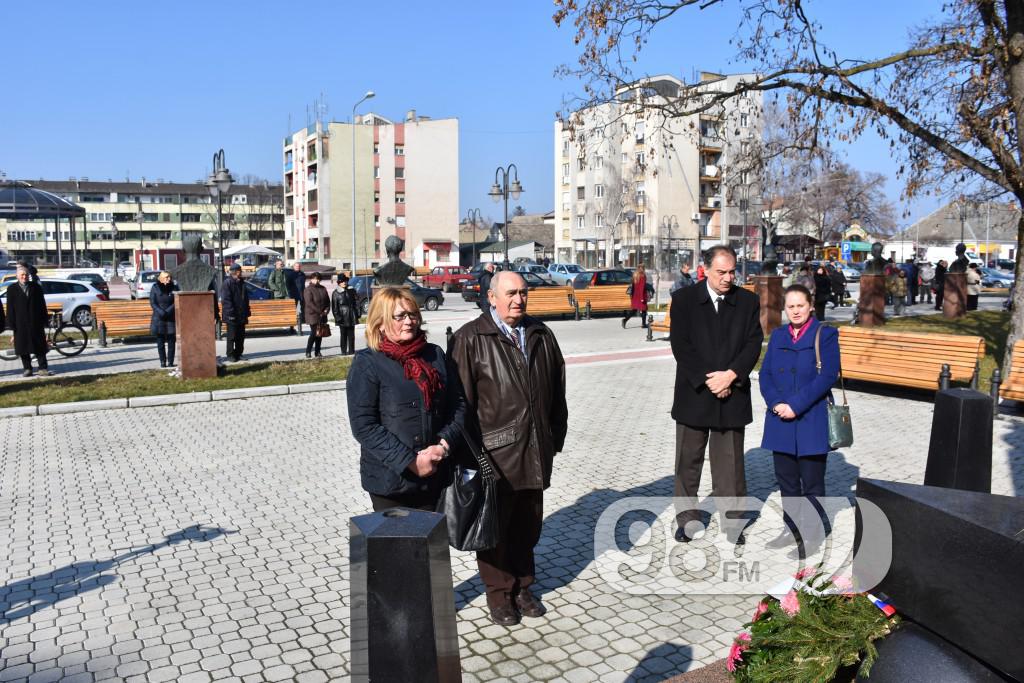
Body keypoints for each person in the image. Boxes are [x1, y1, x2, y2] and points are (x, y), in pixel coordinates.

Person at [448, 271, 568, 626]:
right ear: (492, 297)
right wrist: (471, 457)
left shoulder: (541, 334)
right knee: (495, 529)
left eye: (523, 293)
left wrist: (554, 437)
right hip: (495, 457)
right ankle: (499, 594)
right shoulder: (471, 338)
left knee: (528, 526)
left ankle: (523, 586)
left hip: (535, 449)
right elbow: (461, 406)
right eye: (511, 293)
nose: (519, 299)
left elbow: (557, 391)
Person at [670, 245, 764, 545]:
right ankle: (687, 520)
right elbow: (681, 345)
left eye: (732, 271)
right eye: (721, 272)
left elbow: (753, 343)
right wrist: (707, 380)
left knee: (731, 465)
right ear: (705, 270)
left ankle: (733, 522)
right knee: (688, 462)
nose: (727, 278)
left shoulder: (747, 300)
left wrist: (731, 375)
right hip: (695, 392)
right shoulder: (684, 300)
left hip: (732, 393)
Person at [346, 288, 466, 513]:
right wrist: (410, 462)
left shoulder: (434, 354)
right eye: (399, 316)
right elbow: (364, 425)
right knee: (398, 547)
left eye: (413, 314)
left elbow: (457, 405)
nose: (409, 321)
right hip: (391, 482)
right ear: (380, 322)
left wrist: (442, 446)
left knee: (433, 547)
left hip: (436, 475)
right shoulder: (368, 362)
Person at [759, 284, 840, 558]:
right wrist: (776, 403)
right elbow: (766, 374)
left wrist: (795, 405)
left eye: (800, 306)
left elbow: (827, 377)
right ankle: (790, 529)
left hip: (810, 419)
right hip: (780, 419)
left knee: (812, 483)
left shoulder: (825, 334)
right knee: (787, 482)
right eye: (790, 306)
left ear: (810, 306)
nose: (795, 311)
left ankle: (813, 535)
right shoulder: (778, 334)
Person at [6, 265, 50, 377]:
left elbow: (42, 305)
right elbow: (10, 308)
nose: (24, 277)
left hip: (36, 321)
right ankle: (27, 369)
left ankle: (43, 368)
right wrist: (11, 325)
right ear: (17, 276)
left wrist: (45, 320)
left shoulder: (36, 287)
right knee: (23, 347)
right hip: (20, 323)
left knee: (40, 346)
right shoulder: (11, 289)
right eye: (22, 275)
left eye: (26, 275)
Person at [220, 263, 250, 362]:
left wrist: (247, 311)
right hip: (232, 315)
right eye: (240, 271)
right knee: (231, 336)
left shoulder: (242, 283)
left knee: (241, 336)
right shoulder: (227, 283)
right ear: (236, 272)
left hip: (241, 314)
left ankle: (239, 353)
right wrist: (231, 313)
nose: (241, 273)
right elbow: (226, 300)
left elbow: (245, 299)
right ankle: (230, 355)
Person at [149, 271, 178, 368]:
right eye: (166, 277)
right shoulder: (155, 287)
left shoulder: (174, 287)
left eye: (169, 277)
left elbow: (177, 301)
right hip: (159, 317)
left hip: (171, 317)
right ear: (161, 278)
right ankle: (162, 361)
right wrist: (160, 312)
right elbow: (153, 302)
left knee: (171, 341)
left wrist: (168, 311)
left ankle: (170, 361)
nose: (169, 279)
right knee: (160, 341)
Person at [302, 272, 331, 358]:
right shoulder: (308, 289)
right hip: (312, 314)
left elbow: (328, 301)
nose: (317, 280)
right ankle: (308, 351)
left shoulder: (323, 288)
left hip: (322, 314)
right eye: (314, 278)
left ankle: (317, 352)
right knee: (314, 333)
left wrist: (326, 310)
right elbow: (309, 303)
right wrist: (320, 311)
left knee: (320, 333)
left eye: (318, 278)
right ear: (311, 279)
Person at [332, 273, 359, 355]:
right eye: (342, 281)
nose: (344, 282)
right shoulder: (336, 293)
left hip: (351, 315)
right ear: (339, 282)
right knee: (343, 335)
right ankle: (343, 351)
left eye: (345, 281)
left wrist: (357, 313)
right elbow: (334, 307)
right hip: (342, 316)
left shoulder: (352, 290)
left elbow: (356, 302)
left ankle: (351, 351)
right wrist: (338, 317)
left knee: (351, 335)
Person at [623, 264, 652, 328]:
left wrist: (632, 295)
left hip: (635, 296)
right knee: (644, 310)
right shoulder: (642, 275)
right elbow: (642, 287)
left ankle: (625, 320)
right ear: (643, 268)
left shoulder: (635, 275)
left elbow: (632, 286)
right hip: (641, 295)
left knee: (634, 310)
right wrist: (642, 298)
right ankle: (643, 324)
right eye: (644, 268)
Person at [287, 262, 307, 335]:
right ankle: (291, 328)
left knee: (301, 311)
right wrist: (290, 294)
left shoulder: (302, 274)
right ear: (293, 267)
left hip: (301, 295)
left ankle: (300, 327)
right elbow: (288, 286)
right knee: (293, 311)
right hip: (293, 295)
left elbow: (303, 285)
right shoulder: (290, 275)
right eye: (296, 266)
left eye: (298, 266)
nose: (297, 267)